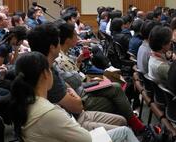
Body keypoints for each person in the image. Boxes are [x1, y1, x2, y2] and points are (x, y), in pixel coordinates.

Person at [26, 23, 141, 132]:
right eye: (57, 41)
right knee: (117, 105)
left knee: (115, 91)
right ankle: (134, 124)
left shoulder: (44, 66)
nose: (59, 44)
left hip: (76, 104)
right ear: (52, 47)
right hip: (75, 117)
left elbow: (70, 84)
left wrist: (72, 89)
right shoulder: (48, 74)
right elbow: (77, 105)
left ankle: (132, 122)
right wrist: (73, 93)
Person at [10, 52, 138, 142]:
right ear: (45, 74)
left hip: (71, 125)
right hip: (78, 129)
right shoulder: (48, 111)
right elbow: (85, 138)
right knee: (124, 132)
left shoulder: (26, 101)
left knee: (121, 123)